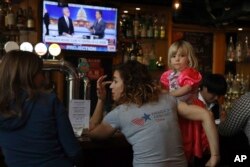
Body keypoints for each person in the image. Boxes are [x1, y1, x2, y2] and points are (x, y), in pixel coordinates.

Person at [88, 60, 220, 167]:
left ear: (129, 84)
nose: (111, 86)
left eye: (115, 81)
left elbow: (93, 133)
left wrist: (100, 100)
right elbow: (206, 115)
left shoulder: (120, 113)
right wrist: (215, 157)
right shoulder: (168, 99)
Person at [0, 50, 84, 167]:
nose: (44, 78)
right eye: (40, 72)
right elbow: (74, 152)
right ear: (28, 75)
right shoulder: (50, 101)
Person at [160, 40, 209, 165]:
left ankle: (188, 159)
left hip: (189, 107)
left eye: (181, 56)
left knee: (188, 138)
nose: (177, 59)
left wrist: (168, 94)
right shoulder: (168, 75)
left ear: (189, 58)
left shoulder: (189, 73)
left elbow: (186, 89)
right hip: (175, 109)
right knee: (176, 137)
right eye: (173, 56)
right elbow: (164, 89)